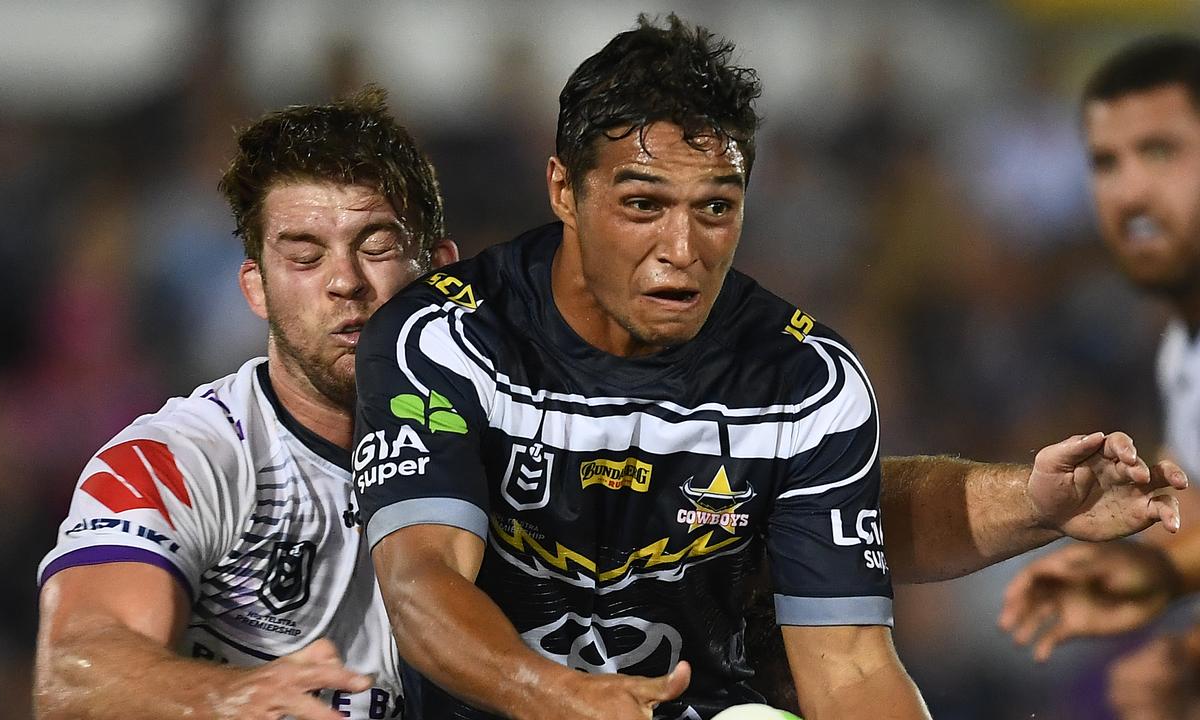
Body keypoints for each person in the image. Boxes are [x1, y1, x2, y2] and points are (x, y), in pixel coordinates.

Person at [353, 16, 1186, 720]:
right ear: (564, 190)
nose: (681, 251)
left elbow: (852, 667)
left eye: (717, 206)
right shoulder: (443, 338)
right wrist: (567, 698)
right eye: (642, 205)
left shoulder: (803, 383)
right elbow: (422, 587)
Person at [33, 89, 458, 719]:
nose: (345, 281)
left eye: (375, 247)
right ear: (255, 287)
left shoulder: (517, 455)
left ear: (440, 274)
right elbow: (73, 674)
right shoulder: (175, 460)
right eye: (304, 257)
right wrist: (231, 695)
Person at [999, 35, 1200, 718]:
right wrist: (1161, 570)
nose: (1130, 190)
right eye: (1106, 162)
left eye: (1162, 151)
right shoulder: (1182, 349)